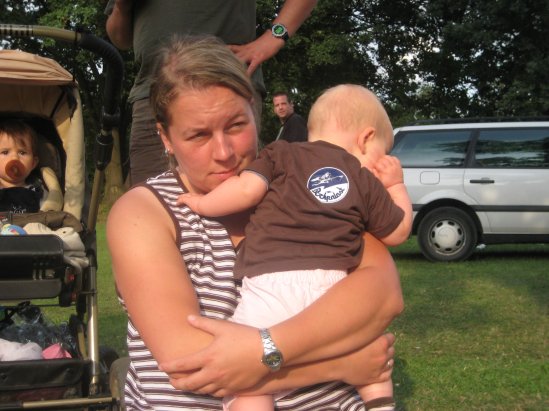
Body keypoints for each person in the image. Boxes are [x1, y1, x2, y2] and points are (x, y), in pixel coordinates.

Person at [107, 35, 403, 410]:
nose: (224, 152)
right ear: (165, 138)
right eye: (198, 135)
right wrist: (342, 364)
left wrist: (267, 347)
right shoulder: (145, 212)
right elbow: (188, 361)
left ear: (254, 109)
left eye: (235, 126)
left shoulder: (304, 177)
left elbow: (384, 293)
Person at [177, 84, 412, 411]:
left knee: (246, 385)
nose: (380, 163)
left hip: (269, 289)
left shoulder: (282, 153)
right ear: (366, 138)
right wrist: (396, 185)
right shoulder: (363, 179)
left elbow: (245, 191)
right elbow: (398, 232)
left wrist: (202, 204)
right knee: (368, 352)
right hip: (332, 294)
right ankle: (379, 402)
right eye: (382, 152)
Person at [105, 0, 317, 186]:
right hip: (150, 92)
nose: (222, 153)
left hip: (230, 88)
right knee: (152, 203)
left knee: (238, 204)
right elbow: (120, 38)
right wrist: (122, 7)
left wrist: (273, 37)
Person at [0, 119, 42, 214]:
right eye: (5, 152)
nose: (14, 157)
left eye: (22, 153)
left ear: (33, 163)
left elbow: (50, 211)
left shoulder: (38, 189)